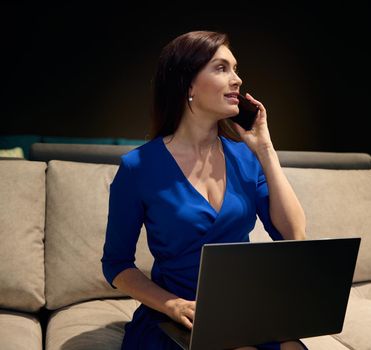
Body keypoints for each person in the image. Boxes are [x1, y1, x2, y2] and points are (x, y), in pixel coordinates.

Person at [101, 30, 309, 350]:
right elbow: (117, 264)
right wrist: (172, 304)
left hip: (242, 311)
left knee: (292, 347)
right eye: (222, 68)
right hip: (176, 317)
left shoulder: (245, 157)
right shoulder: (138, 167)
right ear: (188, 84)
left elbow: (294, 235)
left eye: (236, 69)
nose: (237, 79)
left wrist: (265, 150)